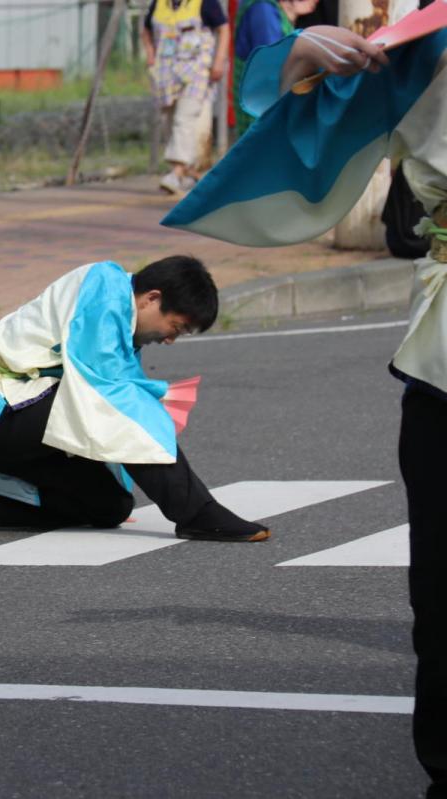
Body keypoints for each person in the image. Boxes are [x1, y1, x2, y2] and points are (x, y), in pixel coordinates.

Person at [161, 24, 447, 793]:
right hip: (443, 363)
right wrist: (297, 58)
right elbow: (299, 122)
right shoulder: (427, 46)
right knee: (441, 595)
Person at [0, 257, 271, 542]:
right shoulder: (105, 293)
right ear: (152, 298)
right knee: (124, 410)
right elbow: (110, 396)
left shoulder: (121, 305)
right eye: (176, 327)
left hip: (30, 411)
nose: (171, 339)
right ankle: (197, 514)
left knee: (110, 507)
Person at [141, 0, 230, 194]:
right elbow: (146, 29)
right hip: (166, 74)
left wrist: (219, 60)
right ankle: (190, 172)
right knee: (170, 120)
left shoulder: (205, 3)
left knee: (184, 119)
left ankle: (176, 172)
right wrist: (150, 53)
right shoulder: (160, 4)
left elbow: (223, 29)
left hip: (196, 72)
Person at [232, 0, 317, 136]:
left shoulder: (273, 11)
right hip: (260, 102)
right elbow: (271, 64)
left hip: (264, 99)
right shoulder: (263, 10)